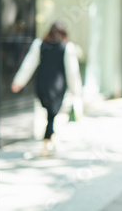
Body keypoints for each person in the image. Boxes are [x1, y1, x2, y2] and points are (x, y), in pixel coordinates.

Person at [11, 21, 82, 156]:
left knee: (50, 114)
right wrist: (76, 89)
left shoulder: (40, 44)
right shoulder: (66, 47)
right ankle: (46, 143)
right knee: (52, 114)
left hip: (42, 85)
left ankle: (50, 138)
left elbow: (29, 64)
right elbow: (72, 71)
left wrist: (18, 82)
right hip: (57, 87)